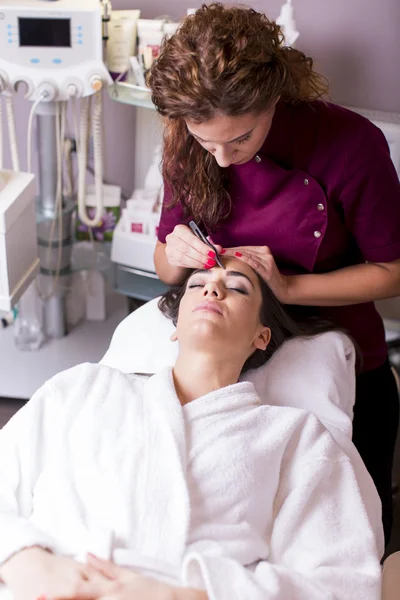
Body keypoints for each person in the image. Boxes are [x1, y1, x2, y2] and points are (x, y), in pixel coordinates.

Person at [148, 2, 400, 543]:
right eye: (204, 138)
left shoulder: (351, 145)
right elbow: (164, 263)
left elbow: (393, 272)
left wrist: (287, 288)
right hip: (229, 370)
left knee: (352, 524)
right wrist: (176, 253)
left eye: (238, 139)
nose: (218, 159)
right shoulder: (187, 142)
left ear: (274, 98)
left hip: (344, 343)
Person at [0, 259, 383, 600]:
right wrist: (24, 560)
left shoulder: (295, 437)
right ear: (175, 326)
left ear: (260, 337)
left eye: (237, 287)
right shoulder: (84, 388)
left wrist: (184, 594)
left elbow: (342, 582)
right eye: (197, 284)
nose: (212, 288)